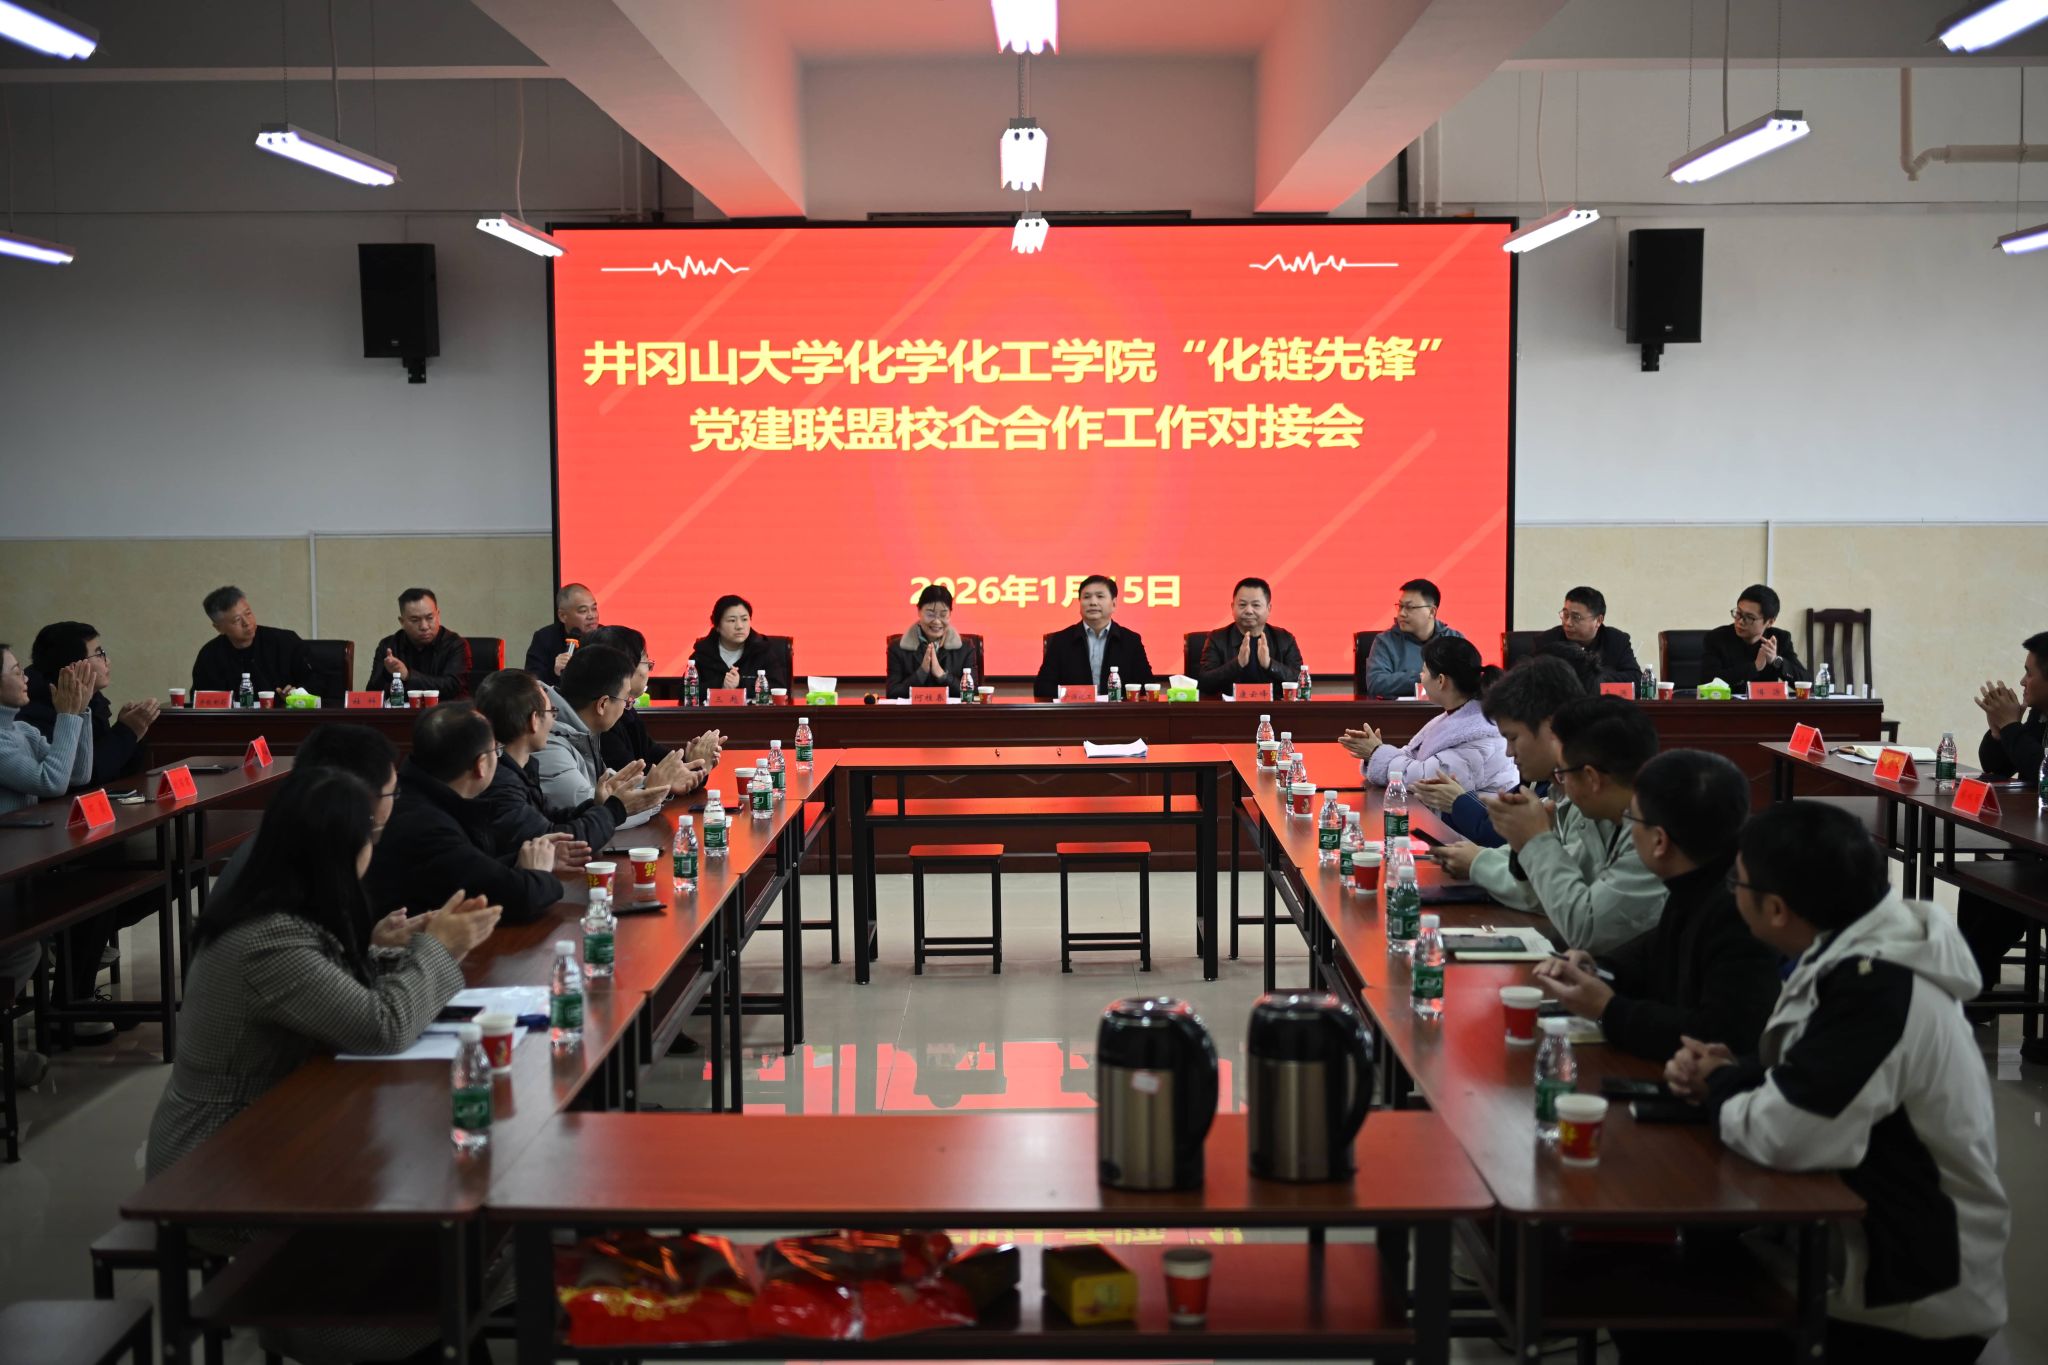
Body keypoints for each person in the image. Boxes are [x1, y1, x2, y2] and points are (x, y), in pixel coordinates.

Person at [146, 767, 501, 1364]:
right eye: (369, 838)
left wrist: (381, 947)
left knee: (442, 1219)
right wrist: (439, 949)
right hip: (219, 1161)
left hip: (276, 1129)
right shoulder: (268, 938)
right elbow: (382, 1025)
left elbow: (332, 987)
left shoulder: (277, 907)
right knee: (439, 1250)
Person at [1665, 802, 2007, 1363]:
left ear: (1777, 909)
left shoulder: (1878, 986)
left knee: (1667, 1312)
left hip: (1907, 1300)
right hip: (1860, 1253)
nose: (1732, 894)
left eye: (1737, 883)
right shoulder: (1853, 949)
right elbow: (1823, 1070)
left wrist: (1721, 1085)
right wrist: (1736, 1071)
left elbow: (1789, 1134)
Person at [1532, 750, 1783, 1062]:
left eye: (1632, 818)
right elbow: (1651, 956)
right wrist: (1596, 969)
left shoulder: (1739, 910)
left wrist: (1609, 1009)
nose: (1628, 828)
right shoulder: (1697, 880)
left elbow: (1719, 1034)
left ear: (1660, 841)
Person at [1437, 694, 1667, 954]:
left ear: (1591, 778)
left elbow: (1586, 930)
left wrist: (1536, 840)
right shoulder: (1605, 813)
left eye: (1563, 773)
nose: (1559, 783)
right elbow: (1551, 893)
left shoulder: (1652, 834)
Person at [364, 703, 566, 925]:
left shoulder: (420, 794)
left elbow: (468, 869)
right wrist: (539, 873)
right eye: (496, 751)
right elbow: (518, 897)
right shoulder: (426, 825)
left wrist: (524, 858)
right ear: (481, 764)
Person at [1, 641, 94, 1082]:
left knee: (34, 942)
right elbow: (51, 781)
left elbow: (76, 774)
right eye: (14, 670)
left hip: (23, 864)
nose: (25, 677)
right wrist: (68, 716)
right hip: (6, 871)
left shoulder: (19, 730)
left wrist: (82, 711)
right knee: (25, 949)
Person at [474, 667, 679, 855]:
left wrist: (598, 805)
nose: (554, 720)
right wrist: (615, 809)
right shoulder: (502, 784)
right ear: (534, 721)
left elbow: (553, 817)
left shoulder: (522, 769)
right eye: (551, 712)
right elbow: (554, 841)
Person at [1957, 631, 2048, 1040]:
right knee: (1978, 884)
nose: (2022, 681)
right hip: (2034, 843)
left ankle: (1967, 990)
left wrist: (2012, 726)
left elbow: (2040, 771)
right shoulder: (2038, 715)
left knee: (2005, 898)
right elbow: (2000, 764)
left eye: (2030, 673)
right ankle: (1976, 992)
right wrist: (1999, 731)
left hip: (2041, 852)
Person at [211, 724, 399, 907]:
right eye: (393, 793)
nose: (395, 801)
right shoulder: (310, 868)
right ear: (363, 797)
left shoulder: (295, 834)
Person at [1412, 655, 1582, 848]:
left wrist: (1459, 802)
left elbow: (1503, 838)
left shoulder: (1582, 794)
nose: (1509, 752)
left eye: (1513, 738)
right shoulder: (1549, 779)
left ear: (1550, 726)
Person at [1341, 636, 1515, 793]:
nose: (1420, 676)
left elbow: (1423, 778)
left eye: (1423, 671)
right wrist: (1375, 752)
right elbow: (1411, 755)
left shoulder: (1480, 735)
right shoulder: (1457, 717)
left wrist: (1376, 752)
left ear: (1441, 681)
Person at [18, 622, 156, 786]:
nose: (107, 661)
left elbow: (116, 774)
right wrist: (126, 732)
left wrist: (134, 734)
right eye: (98, 655)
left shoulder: (94, 699)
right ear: (74, 666)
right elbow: (83, 779)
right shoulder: (34, 710)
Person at [580, 625, 725, 774]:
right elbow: (634, 776)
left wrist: (690, 760)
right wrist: (695, 766)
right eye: (645, 661)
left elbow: (653, 754)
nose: (649, 668)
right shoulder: (602, 720)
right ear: (625, 667)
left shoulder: (627, 711)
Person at [534, 644, 642, 809]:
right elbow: (587, 809)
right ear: (603, 704)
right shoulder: (550, 744)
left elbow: (606, 791)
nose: (626, 707)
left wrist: (652, 785)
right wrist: (652, 793)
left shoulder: (584, 731)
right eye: (626, 699)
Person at [1033, 574, 1155, 698]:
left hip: (1117, 710)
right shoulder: (1061, 640)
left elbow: (1146, 686)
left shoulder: (1131, 640)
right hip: (1075, 709)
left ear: (1113, 603)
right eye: (1086, 597)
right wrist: (1080, 695)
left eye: (1100, 596)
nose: (1093, 602)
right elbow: (1042, 688)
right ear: (1080, 603)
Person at [190, 586, 315, 695]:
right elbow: (201, 699)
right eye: (237, 620)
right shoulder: (210, 656)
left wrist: (298, 693)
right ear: (219, 628)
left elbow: (317, 679)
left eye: (248, 613)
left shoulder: (285, 642)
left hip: (286, 714)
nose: (247, 623)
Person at [1197, 577, 1303, 695]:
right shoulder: (1217, 639)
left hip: (1274, 706)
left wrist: (1270, 664)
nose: (1248, 610)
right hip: (1229, 706)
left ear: (1269, 608)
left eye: (1256, 605)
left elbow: (1301, 682)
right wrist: (1237, 664)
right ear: (1232, 607)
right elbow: (1204, 683)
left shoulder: (1284, 639)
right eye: (1242, 604)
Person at [365, 587, 473, 700]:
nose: (424, 626)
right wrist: (387, 673)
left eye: (430, 618)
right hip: (402, 711)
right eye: (415, 620)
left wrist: (408, 676)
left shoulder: (456, 644)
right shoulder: (389, 645)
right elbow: (372, 693)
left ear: (438, 615)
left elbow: (452, 686)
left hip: (446, 710)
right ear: (402, 622)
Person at [1363, 578, 1464, 698]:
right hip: (1402, 709)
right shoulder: (1385, 641)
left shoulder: (1454, 639)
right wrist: (1426, 677)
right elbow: (1376, 683)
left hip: (1447, 709)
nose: (1401, 613)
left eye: (1409, 607)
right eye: (1400, 606)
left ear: (1431, 612)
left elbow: (1468, 680)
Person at [1699, 584, 1810, 691]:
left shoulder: (1779, 639)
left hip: (1765, 704)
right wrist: (1754, 667)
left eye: (1749, 617)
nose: (1740, 621)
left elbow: (1808, 683)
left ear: (1770, 622)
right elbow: (1707, 681)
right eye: (1738, 613)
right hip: (1728, 703)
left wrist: (1776, 660)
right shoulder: (1717, 638)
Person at [886, 584, 984, 698]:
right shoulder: (897, 648)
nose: (937, 621)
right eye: (930, 614)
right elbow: (892, 693)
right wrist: (921, 673)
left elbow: (973, 693)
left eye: (943, 614)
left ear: (950, 614)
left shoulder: (966, 647)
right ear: (919, 611)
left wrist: (942, 675)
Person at [1535, 586, 1642, 684]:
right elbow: (1531, 678)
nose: (1568, 623)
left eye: (1576, 617)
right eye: (1566, 615)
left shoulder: (1616, 641)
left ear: (1598, 620)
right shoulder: (1548, 640)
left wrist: (1596, 678)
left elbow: (1636, 679)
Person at [688, 594, 791, 694]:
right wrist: (720, 685)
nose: (739, 626)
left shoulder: (762, 650)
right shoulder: (703, 653)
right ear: (717, 626)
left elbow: (779, 688)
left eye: (744, 619)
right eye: (732, 620)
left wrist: (740, 683)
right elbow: (685, 691)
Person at [524, 582, 599, 685]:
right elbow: (533, 684)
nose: (592, 616)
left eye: (594, 609)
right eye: (583, 611)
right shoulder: (545, 638)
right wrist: (555, 673)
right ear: (563, 616)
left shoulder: (607, 637)